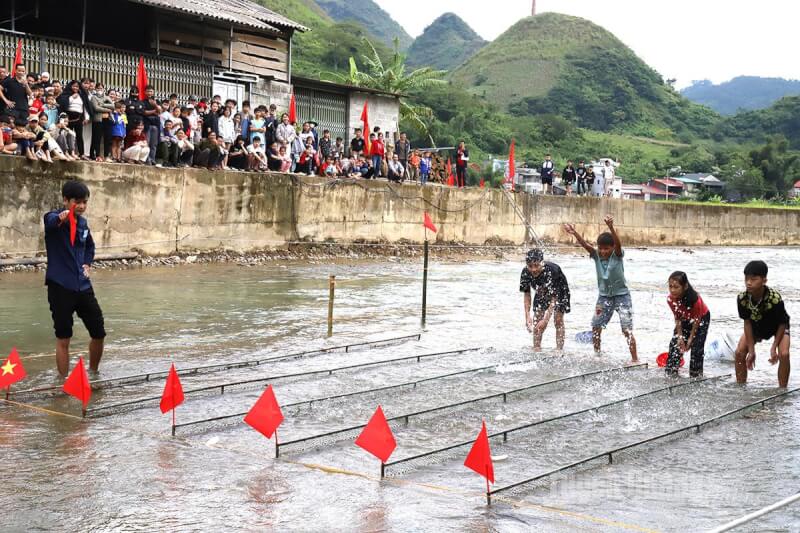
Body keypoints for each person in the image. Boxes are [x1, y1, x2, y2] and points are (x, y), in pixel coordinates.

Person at [43, 180, 105, 376]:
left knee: (99, 333)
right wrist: (61, 217)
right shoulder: (53, 218)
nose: (81, 206)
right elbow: (52, 221)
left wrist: (87, 263)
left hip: (83, 286)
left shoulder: (84, 224)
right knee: (64, 338)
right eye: (76, 202)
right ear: (65, 200)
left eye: (84, 202)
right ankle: (62, 382)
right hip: (60, 287)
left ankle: (93, 374)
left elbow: (89, 247)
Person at [563, 215, 638, 362]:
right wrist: (574, 233)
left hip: (622, 296)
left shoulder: (617, 256)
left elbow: (618, 244)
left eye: (606, 248)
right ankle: (597, 355)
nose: (603, 251)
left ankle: (635, 359)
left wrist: (610, 227)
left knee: (626, 330)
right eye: (601, 248)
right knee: (596, 327)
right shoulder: (596, 256)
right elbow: (585, 245)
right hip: (604, 297)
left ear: (612, 248)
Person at [735, 260, 791, 387]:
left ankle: (782, 389)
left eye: (754, 279)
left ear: (764, 280)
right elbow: (747, 323)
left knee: (784, 354)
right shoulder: (742, 298)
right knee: (739, 352)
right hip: (756, 326)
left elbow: (782, 323)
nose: (749, 283)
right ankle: (740, 387)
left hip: (778, 327)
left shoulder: (775, 298)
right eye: (746, 279)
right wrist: (751, 350)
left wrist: (773, 347)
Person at [520, 249, 571, 351]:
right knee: (537, 319)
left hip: (560, 291)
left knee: (558, 320)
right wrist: (527, 316)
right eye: (530, 266)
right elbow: (527, 294)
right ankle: (537, 347)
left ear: (542, 263)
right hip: (541, 290)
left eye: (536, 265)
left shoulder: (552, 270)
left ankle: (559, 349)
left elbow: (554, 298)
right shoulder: (525, 272)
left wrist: (546, 320)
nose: (533, 269)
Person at [666, 271, 711, 377]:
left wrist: (690, 339)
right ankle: (671, 374)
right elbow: (677, 317)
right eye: (670, 286)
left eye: (676, 287)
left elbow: (697, 319)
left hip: (701, 318)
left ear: (685, 286)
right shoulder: (670, 299)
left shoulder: (695, 300)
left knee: (696, 349)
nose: (672, 290)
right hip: (684, 319)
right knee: (675, 344)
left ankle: (696, 377)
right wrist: (680, 336)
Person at [89, 83, 114, 161]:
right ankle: (97, 155)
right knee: (97, 138)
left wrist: (102, 104)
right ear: (95, 89)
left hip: (107, 120)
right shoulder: (94, 97)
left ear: (104, 89)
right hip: (98, 120)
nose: (100, 90)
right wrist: (107, 109)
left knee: (107, 138)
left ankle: (106, 156)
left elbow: (113, 106)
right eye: (98, 88)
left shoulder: (106, 97)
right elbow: (96, 108)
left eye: (101, 88)